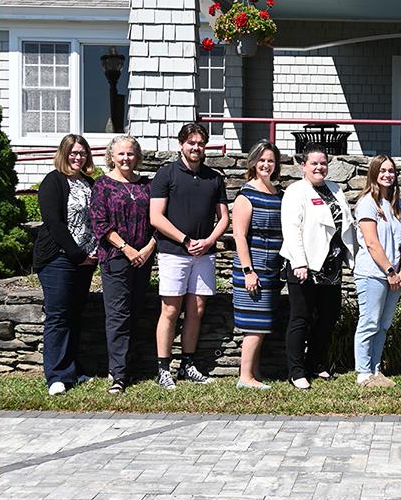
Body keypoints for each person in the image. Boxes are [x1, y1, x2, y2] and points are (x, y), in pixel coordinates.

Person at [148, 123, 230, 389]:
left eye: (201, 143)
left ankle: (187, 364)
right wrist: (185, 240)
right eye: (191, 143)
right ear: (181, 144)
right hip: (174, 253)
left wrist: (208, 241)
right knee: (170, 309)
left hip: (204, 254)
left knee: (197, 309)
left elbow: (224, 218)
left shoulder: (214, 177)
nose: (196, 147)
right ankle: (163, 368)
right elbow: (156, 217)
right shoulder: (166, 174)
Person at [279, 144, 357, 390]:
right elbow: (291, 229)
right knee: (300, 318)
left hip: (331, 266)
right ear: (303, 166)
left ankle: (315, 363)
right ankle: (296, 371)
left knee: (328, 317)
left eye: (323, 163)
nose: (319, 167)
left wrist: (351, 258)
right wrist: (299, 262)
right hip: (305, 265)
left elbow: (346, 224)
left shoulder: (335, 188)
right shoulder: (296, 191)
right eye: (314, 163)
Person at [89, 135, 156, 395]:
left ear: (136, 156)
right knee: (118, 316)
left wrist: (148, 249)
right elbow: (100, 223)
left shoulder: (146, 186)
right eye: (121, 154)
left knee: (137, 312)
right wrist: (126, 248)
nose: (126, 158)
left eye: (130, 154)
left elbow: (157, 219)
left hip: (143, 258)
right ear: (111, 157)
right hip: (116, 258)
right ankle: (118, 374)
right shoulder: (102, 185)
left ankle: (133, 366)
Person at [33, 134, 98, 396]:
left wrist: (91, 255)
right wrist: (76, 254)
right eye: (73, 152)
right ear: (63, 154)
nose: (77, 157)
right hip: (59, 259)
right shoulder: (53, 181)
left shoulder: (88, 183)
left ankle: (73, 370)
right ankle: (56, 377)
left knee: (74, 315)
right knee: (58, 316)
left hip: (86, 261)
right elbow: (54, 223)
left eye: (82, 153)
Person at [351, 155, 401, 388]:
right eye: (382, 170)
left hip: (394, 275)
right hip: (373, 273)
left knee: (383, 324)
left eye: (391, 171)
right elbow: (372, 243)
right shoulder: (367, 203)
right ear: (374, 173)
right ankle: (363, 373)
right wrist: (389, 271)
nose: (387, 175)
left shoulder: (397, 204)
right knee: (369, 322)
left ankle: (376, 368)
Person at [230, 141, 284, 391]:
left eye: (270, 160)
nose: (266, 164)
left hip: (272, 270)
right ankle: (245, 377)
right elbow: (240, 236)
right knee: (253, 325)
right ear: (253, 163)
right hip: (253, 271)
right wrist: (248, 271)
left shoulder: (277, 193)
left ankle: (254, 371)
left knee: (262, 324)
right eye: (261, 160)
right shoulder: (246, 195)